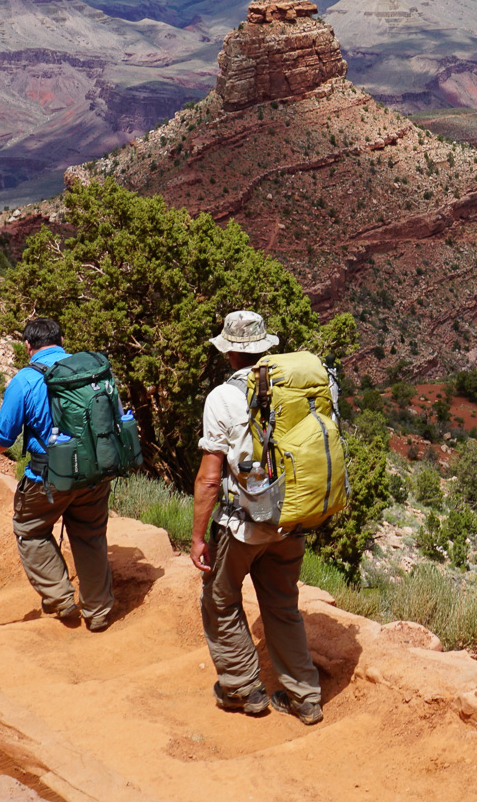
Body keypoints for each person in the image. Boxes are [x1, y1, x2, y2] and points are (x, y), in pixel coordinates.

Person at [191, 310, 323, 725]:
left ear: (230, 352)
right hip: (291, 519)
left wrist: (198, 537)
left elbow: (209, 478)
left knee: (219, 599)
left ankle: (242, 688)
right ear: (265, 348)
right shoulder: (295, 388)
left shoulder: (222, 397)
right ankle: (305, 697)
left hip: (243, 525)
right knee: (282, 605)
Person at [0, 316, 116, 632]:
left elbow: (2, 440)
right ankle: (97, 611)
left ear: (28, 346)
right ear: (61, 340)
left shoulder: (25, 381)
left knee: (30, 528)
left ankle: (60, 597)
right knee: (91, 535)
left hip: (49, 477)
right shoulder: (92, 371)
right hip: (94, 474)